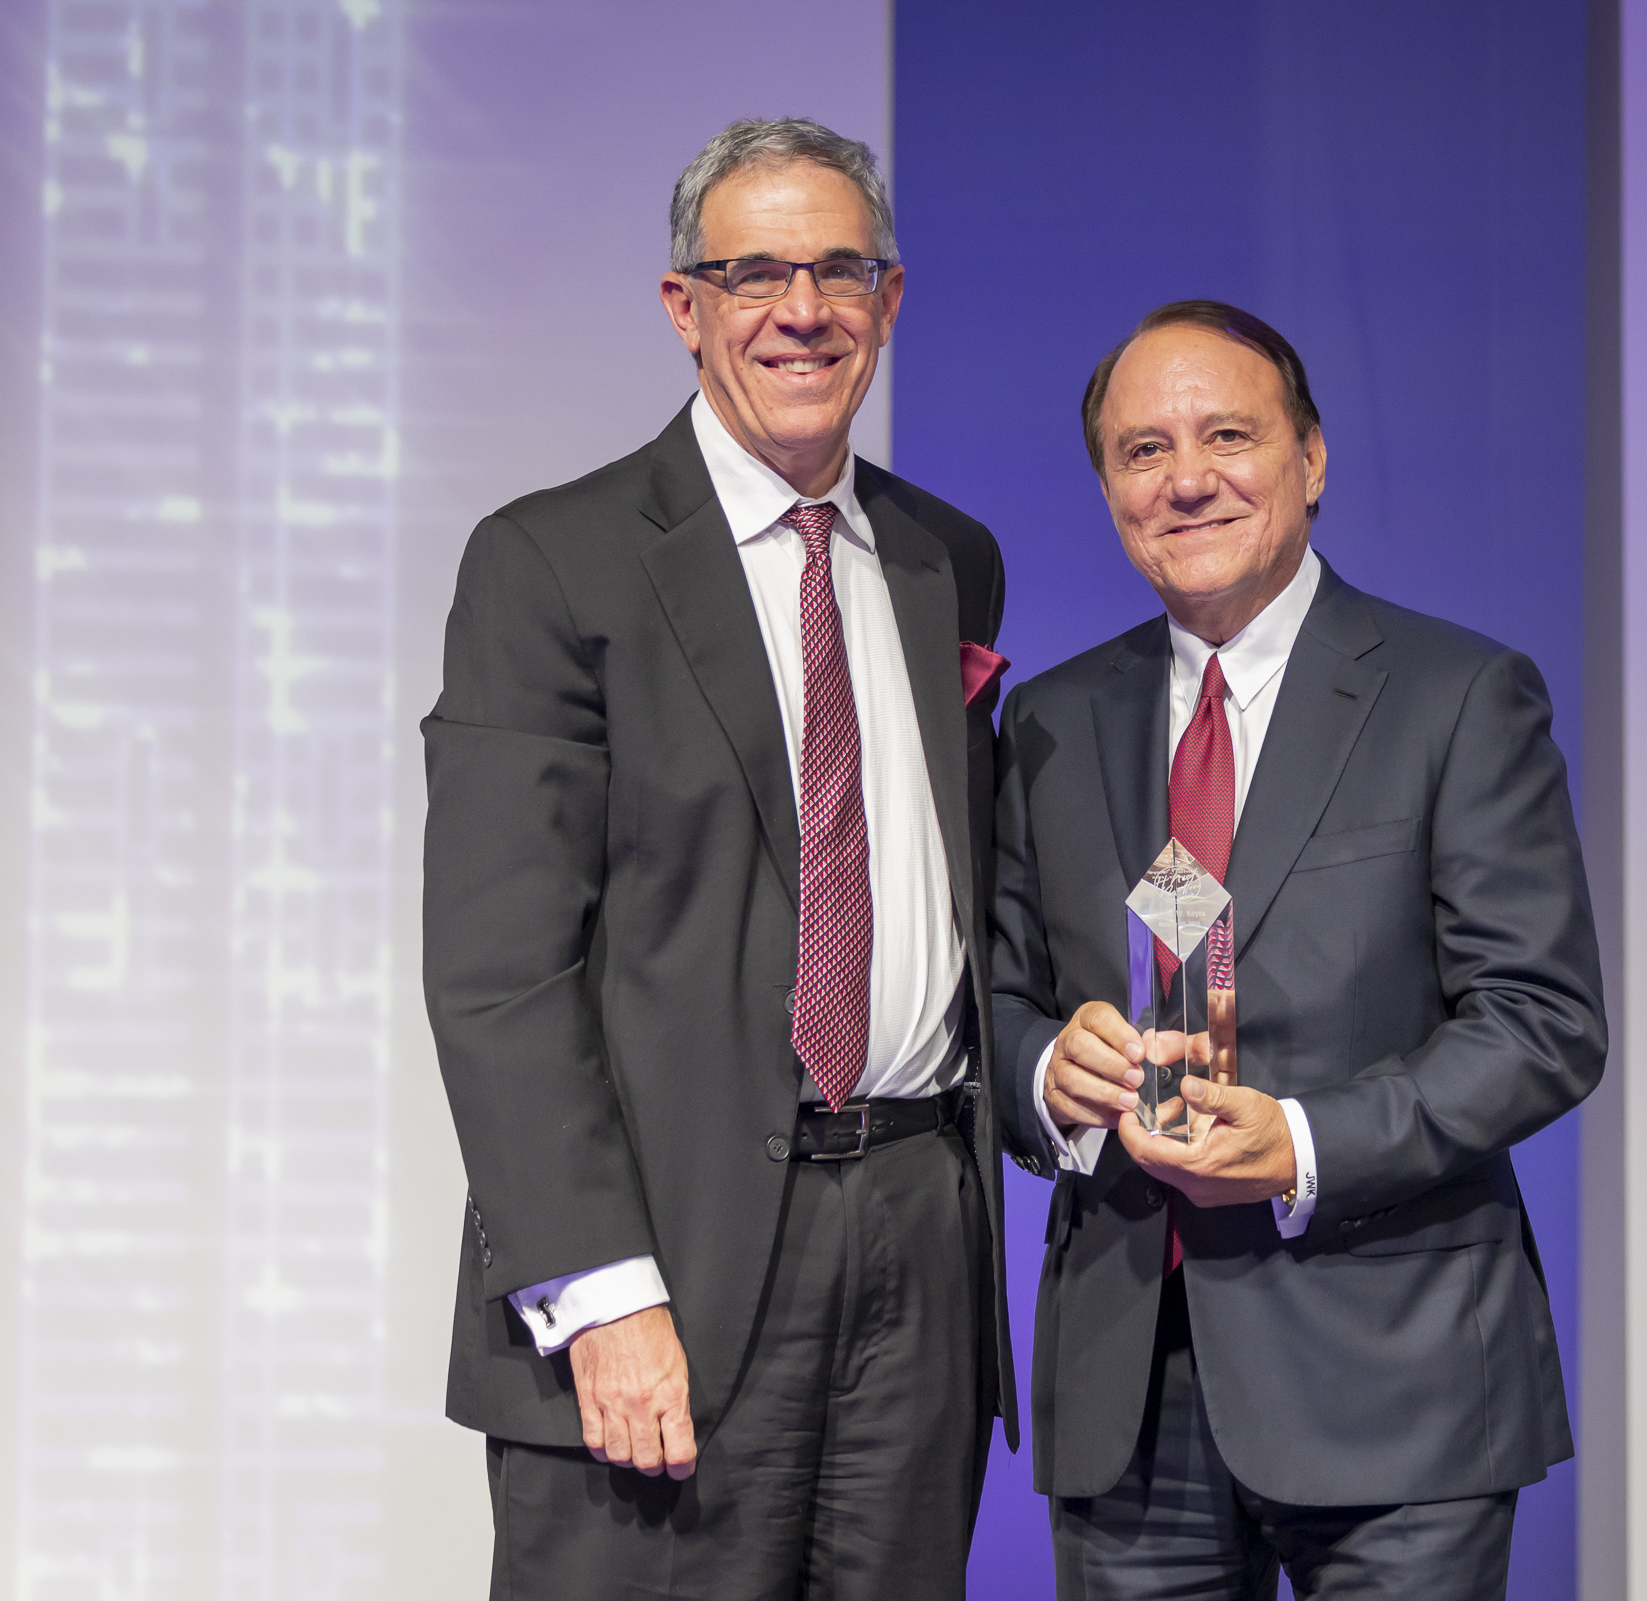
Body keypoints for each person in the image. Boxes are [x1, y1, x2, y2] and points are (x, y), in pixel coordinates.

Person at [423, 117, 1015, 1598]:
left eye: (839, 271)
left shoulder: (948, 559)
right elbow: (500, 974)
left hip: (918, 1244)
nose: (801, 310)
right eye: (755, 273)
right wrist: (599, 1288)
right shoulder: (550, 562)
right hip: (665, 1255)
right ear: (684, 305)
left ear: (890, 298)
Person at [990, 300, 1606, 1599]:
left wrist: (1304, 1144)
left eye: (1228, 435)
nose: (1187, 479)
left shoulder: (1457, 695)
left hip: (1394, 1383)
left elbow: (1539, 1021)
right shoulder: (1049, 721)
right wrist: (1046, 1068)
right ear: (1108, 490)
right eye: (1143, 449)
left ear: (1312, 459)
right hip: (1127, 1393)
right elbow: (990, 1005)